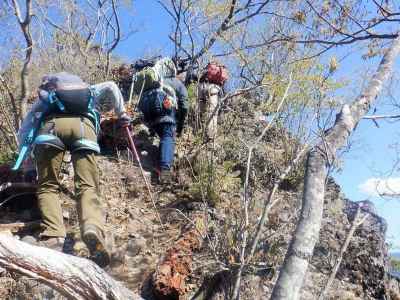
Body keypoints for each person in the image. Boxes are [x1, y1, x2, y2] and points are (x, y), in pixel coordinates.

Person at [18, 73, 130, 267]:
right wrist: (122, 114)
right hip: (83, 127)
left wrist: (27, 162)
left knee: (48, 186)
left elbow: (26, 127)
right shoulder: (88, 90)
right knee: (88, 186)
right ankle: (92, 227)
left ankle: (54, 236)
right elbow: (111, 85)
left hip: (51, 128)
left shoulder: (48, 97)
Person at [135, 58, 188, 184]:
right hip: (163, 108)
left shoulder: (155, 80)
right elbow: (184, 105)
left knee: (159, 128)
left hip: (146, 107)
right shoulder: (176, 82)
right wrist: (180, 126)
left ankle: (153, 157)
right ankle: (165, 173)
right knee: (167, 136)